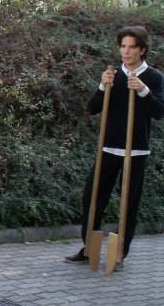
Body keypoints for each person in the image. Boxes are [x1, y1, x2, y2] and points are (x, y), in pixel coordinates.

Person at [67, 25, 164, 266]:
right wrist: (102, 86)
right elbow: (92, 108)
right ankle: (89, 248)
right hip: (108, 148)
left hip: (136, 150)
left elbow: (159, 112)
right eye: (123, 46)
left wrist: (143, 91)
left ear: (142, 50)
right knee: (92, 197)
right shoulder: (113, 74)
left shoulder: (154, 77)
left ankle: (120, 252)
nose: (126, 52)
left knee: (128, 204)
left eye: (131, 47)